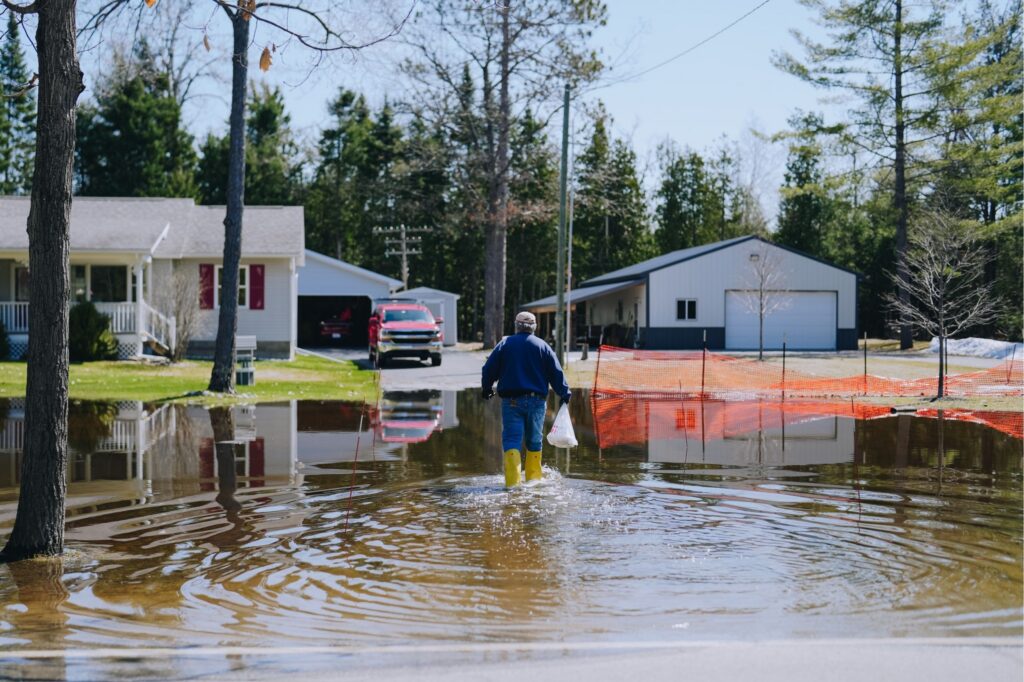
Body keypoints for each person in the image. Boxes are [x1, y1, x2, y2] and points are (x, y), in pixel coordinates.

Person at [481, 311, 571, 487]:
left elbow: (488, 369)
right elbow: (556, 373)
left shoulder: (505, 344)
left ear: (516, 326)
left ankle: (513, 485)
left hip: (512, 402)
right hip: (537, 402)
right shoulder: (543, 346)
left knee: (512, 441)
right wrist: (564, 394)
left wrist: (487, 390)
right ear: (534, 327)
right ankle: (533, 484)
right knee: (534, 442)